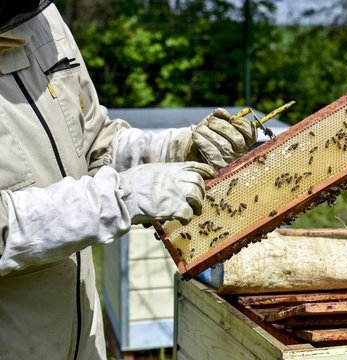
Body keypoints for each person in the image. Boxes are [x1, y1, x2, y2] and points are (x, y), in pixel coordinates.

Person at [0, 1, 257, 358]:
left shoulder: (42, 17)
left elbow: (93, 142)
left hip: (83, 341)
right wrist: (120, 199)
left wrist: (178, 148)